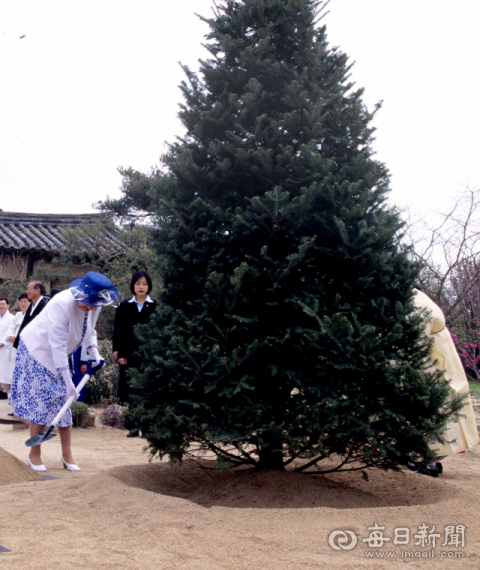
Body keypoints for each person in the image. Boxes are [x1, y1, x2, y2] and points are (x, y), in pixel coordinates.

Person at [9, 272, 119, 472]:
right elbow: (57, 346)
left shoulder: (96, 303)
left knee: (63, 403)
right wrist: (69, 383)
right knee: (41, 401)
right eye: (87, 303)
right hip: (37, 350)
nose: (90, 307)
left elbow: (90, 331)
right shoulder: (62, 304)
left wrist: (94, 352)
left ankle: (67, 454)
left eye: (94, 304)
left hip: (59, 353)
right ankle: (34, 453)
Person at [408, 289, 479, 476]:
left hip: (434, 360)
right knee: (443, 410)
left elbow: (413, 343)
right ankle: (429, 459)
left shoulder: (415, 305)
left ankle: (430, 460)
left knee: (441, 411)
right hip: (437, 357)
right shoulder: (413, 296)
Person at [112, 270, 157, 437]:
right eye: (138, 283)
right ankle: (133, 426)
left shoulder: (155, 306)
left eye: (145, 284)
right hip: (128, 354)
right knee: (130, 390)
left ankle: (147, 427)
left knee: (146, 389)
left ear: (149, 286)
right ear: (133, 285)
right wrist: (118, 351)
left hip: (148, 355)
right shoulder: (124, 306)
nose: (141, 287)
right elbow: (118, 331)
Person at [2, 294, 31, 404]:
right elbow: (10, 328)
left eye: (25, 301)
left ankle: (21, 405)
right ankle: (15, 404)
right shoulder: (18, 315)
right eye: (21, 301)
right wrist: (12, 337)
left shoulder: (32, 315)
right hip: (13, 349)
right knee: (13, 378)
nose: (23, 304)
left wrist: (17, 338)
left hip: (23, 348)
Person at [13, 281, 48, 349]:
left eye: (29, 289)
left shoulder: (44, 307)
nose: (27, 291)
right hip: (27, 345)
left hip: (38, 346)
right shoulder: (31, 306)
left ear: (38, 290)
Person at [0, 298, 15, 398]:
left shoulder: (11, 318)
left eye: (3, 304)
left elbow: (9, 332)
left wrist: (2, 342)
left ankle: (4, 391)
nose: (1, 306)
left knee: (5, 370)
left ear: (8, 306)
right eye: (0, 304)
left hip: (5, 347)